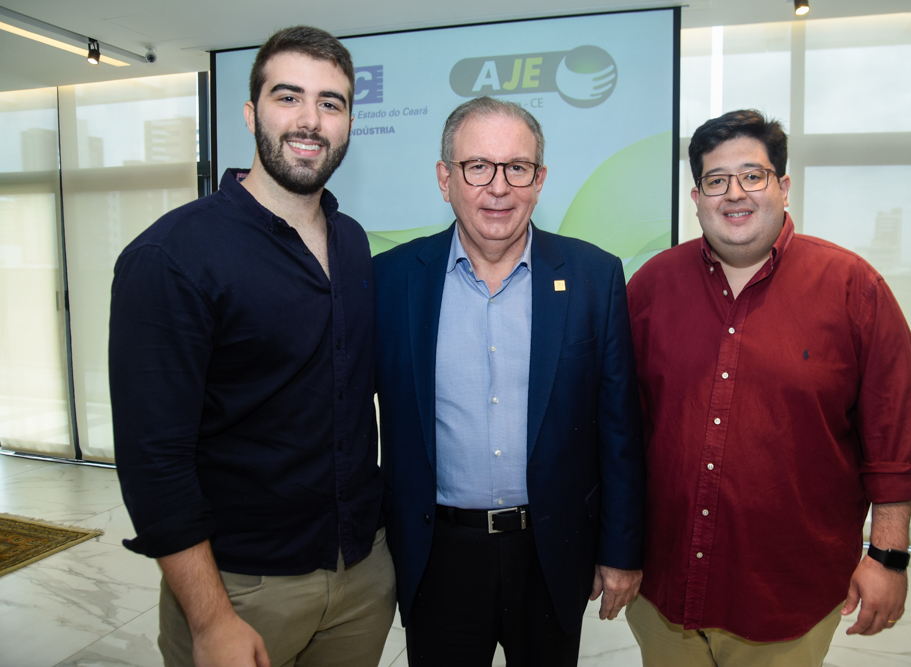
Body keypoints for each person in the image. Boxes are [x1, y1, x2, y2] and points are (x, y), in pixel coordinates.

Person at [109, 26, 394, 667]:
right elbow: (154, 460)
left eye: (331, 102)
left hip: (361, 577)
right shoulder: (172, 257)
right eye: (287, 97)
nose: (310, 120)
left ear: (349, 121)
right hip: (240, 589)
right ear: (250, 113)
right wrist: (210, 620)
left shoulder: (351, 242)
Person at [625, 109, 911, 666]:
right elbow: (620, 429)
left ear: (783, 187)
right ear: (696, 197)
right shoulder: (650, 287)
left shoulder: (852, 289)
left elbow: (896, 433)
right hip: (664, 588)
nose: (734, 193)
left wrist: (887, 557)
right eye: (716, 180)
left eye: (753, 175)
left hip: (787, 597)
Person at [373, 96, 645, 666]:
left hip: (551, 550)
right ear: (445, 178)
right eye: (477, 166)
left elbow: (618, 428)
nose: (498, 187)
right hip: (436, 552)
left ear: (539, 180)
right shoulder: (392, 279)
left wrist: (621, 550)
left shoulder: (594, 276)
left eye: (517, 167)